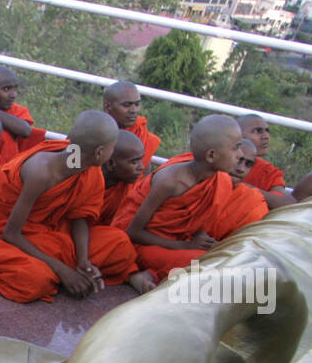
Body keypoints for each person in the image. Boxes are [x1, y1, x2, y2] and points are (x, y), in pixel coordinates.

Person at [0, 111, 155, 303]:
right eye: (112, 147)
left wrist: (84, 262)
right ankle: (23, 268)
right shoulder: (41, 172)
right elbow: (11, 234)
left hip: (51, 231)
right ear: (100, 152)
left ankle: (66, 271)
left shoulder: (89, 169)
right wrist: (63, 270)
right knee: (35, 279)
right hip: (0, 232)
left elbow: (79, 217)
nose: (112, 151)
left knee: (119, 244)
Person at [113, 114, 269, 281]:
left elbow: (196, 223)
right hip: (144, 245)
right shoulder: (170, 181)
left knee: (224, 259)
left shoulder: (218, 180)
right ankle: (141, 275)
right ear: (211, 156)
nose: (240, 155)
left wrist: (201, 239)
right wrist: (184, 246)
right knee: (207, 266)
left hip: (177, 243)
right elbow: (133, 232)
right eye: (236, 148)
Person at [235, 114, 294, 208]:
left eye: (267, 131)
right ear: (238, 134)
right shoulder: (220, 159)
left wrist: (244, 188)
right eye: (257, 131)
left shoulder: (267, 171)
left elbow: (286, 203)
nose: (266, 136)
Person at [102, 81, 160, 168]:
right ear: (107, 106)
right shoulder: (93, 131)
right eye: (126, 105)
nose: (134, 110)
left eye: (137, 104)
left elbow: (142, 173)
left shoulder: (139, 133)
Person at [99, 129, 146, 226]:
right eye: (134, 162)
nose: (141, 167)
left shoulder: (134, 188)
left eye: (141, 160)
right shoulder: (86, 181)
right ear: (111, 163)